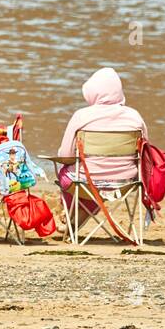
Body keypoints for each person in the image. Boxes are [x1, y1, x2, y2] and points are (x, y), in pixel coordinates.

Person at [56, 67, 147, 217]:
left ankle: (72, 217)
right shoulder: (134, 117)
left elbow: (66, 155)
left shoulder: (81, 116)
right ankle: (82, 214)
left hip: (86, 183)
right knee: (85, 175)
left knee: (68, 172)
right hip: (125, 183)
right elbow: (144, 153)